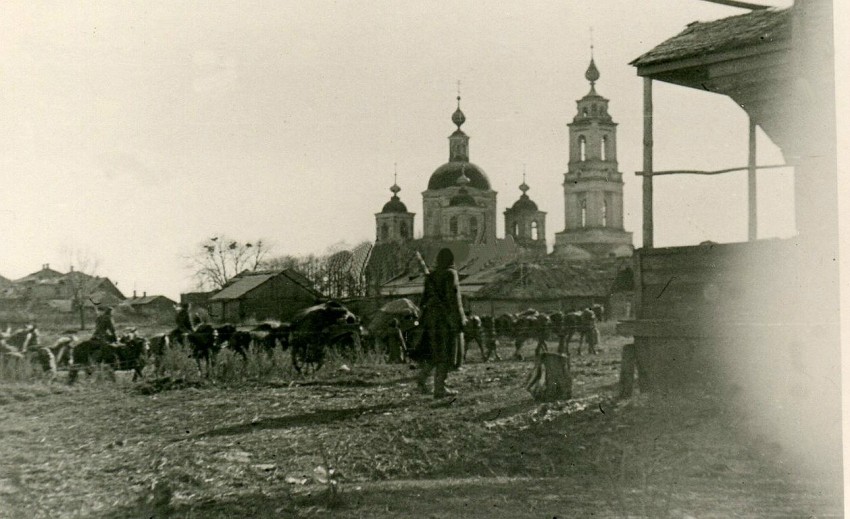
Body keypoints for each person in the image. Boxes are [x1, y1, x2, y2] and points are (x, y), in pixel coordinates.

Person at [416, 248, 467, 398]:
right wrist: (460, 318)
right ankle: (439, 388)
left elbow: (423, 300)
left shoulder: (431, 276)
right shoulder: (451, 274)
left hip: (431, 319)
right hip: (446, 320)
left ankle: (422, 378)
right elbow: (454, 300)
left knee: (434, 352)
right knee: (446, 353)